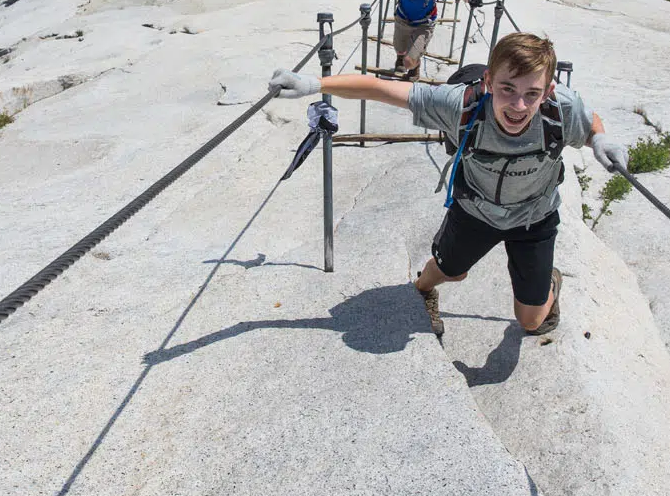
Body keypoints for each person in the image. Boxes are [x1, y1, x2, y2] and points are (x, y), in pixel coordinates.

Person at [268, 32, 629, 335]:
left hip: (534, 217)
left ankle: (548, 282)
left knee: (531, 322)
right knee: (446, 272)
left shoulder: (560, 109)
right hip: (474, 210)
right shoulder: (458, 105)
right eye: (507, 89)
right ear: (488, 81)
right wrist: (313, 84)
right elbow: (379, 88)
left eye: (531, 94)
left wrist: (599, 139)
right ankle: (423, 291)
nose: (519, 105)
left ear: (548, 90)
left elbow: (588, 119)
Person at [379, 0, 478, 80]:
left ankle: (415, 67)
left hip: (424, 23)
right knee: (399, 48)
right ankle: (400, 58)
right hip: (403, 18)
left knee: (409, 61)